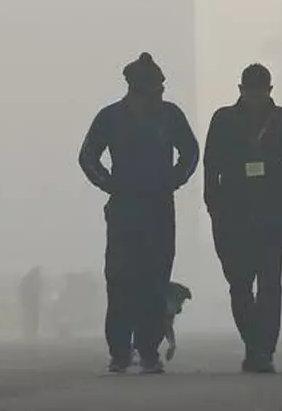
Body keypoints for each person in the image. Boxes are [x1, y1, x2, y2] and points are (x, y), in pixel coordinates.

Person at [79, 52, 200, 374]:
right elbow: (88, 156)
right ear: (137, 88)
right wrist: (110, 184)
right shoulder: (110, 118)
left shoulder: (170, 116)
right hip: (123, 208)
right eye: (156, 88)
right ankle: (119, 350)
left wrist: (173, 180)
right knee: (119, 279)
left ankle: (148, 350)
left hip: (159, 208)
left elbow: (190, 152)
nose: (161, 93)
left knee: (154, 280)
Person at [203, 63, 282, 373]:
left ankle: (264, 349)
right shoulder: (223, 119)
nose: (255, 97)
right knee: (240, 283)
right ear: (241, 90)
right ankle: (253, 341)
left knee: (270, 282)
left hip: (272, 213)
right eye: (250, 91)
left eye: (260, 91)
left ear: (269, 91)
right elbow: (211, 165)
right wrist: (213, 205)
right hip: (232, 214)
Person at [19, 266, 43, 343]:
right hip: (30, 304)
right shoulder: (28, 281)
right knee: (31, 320)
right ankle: (30, 336)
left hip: (32, 304)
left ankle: (31, 335)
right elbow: (23, 292)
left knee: (32, 320)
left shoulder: (29, 280)